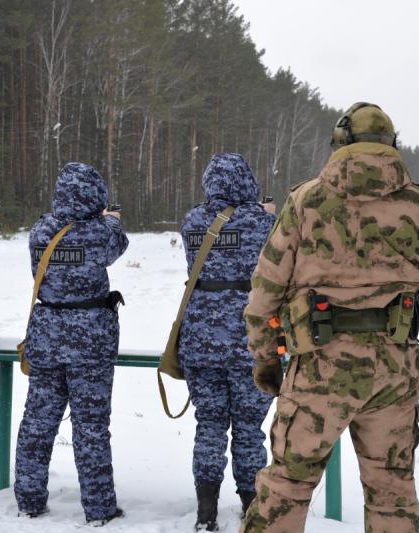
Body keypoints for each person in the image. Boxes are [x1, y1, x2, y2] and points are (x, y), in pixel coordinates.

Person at [239, 103, 419, 533]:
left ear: (340, 144)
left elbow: (264, 296)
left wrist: (267, 361)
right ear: (392, 145)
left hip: (317, 371)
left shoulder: (306, 201)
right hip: (395, 372)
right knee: (392, 495)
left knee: (287, 488)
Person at [14, 162, 128, 525]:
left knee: (37, 421)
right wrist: (111, 217)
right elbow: (118, 242)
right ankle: (98, 507)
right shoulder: (100, 233)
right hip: (90, 340)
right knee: (91, 426)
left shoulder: (41, 229)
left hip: (48, 334)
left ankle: (29, 499)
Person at [178, 153, 275, 531]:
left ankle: (206, 512)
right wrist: (263, 213)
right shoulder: (263, 222)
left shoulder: (192, 221)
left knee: (210, 425)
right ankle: (252, 507)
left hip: (200, 340)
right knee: (250, 427)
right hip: (249, 340)